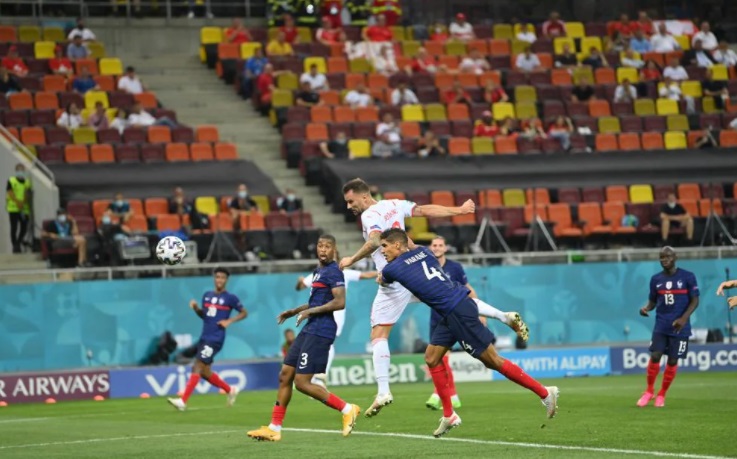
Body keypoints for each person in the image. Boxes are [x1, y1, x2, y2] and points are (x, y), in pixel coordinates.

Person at [378, 228, 558, 436]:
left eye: (385, 246)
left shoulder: (393, 268)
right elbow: (414, 247)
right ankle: (449, 415)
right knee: (432, 358)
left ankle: (545, 393)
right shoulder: (426, 253)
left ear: (398, 245)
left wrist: (381, 277)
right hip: (456, 307)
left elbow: (383, 279)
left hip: (457, 313)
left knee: (493, 361)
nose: (382, 251)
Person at [338, 178, 476, 417]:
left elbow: (373, 241)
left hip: (394, 279)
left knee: (379, 334)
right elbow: (424, 210)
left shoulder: (369, 215)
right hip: (417, 271)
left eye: (351, 201)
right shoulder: (395, 204)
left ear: (363, 196)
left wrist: (351, 259)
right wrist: (460, 210)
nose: (349, 206)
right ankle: (502, 316)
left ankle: (383, 391)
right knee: (453, 297)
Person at [247, 235, 360, 441]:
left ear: (334, 250)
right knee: (285, 375)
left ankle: (347, 409)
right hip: (310, 327)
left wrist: (313, 312)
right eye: (320, 246)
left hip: (322, 329)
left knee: (301, 382)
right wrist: (294, 311)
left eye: (327, 247)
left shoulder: (334, 271)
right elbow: (314, 302)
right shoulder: (318, 272)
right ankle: (274, 428)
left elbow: (340, 302)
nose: (323, 250)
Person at [424, 236, 528, 411]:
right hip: (437, 318)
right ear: (430, 247)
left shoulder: (455, 267)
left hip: (457, 316)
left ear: (446, 248)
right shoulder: (426, 267)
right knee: (439, 359)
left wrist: (479, 310)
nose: (437, 248)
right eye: (434, 245)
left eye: (440, 245)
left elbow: (467, 288)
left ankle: (441, 395)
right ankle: (452, 397)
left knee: (446, 358)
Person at [167, 267, 247, 411]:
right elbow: (205, 316)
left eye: (222, 277)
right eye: (217, 277)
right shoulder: (207, 295)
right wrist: (196, 308)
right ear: (214, 279)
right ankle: (230, 389)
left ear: (226, 280)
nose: (220, 280)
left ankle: (183, 401)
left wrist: (229, 321)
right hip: (204, 336)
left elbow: (244, 312)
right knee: (204, 371)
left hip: (216, 338)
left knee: (197, 365)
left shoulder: (230, 298)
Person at [295, 259, 376, 387]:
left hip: (335, 314)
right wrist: (299, 282)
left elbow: (366, 275)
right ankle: (312, 376)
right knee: (316, 343)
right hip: (318, 313)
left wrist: (383, 272)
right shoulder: (319, 274)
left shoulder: (344, 273)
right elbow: (300, 286)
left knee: (327, 342)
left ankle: (319, 377)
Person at [636, 247, 699, 408]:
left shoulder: (688, 276)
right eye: (661, 257)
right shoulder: (656, 279)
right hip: (662, 325)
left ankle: (662, 394)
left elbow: (695, 301)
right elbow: (653, 301)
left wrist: (683, 319)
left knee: (672, 360)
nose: (664, 259)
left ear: (675, 257)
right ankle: (649, 391)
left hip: (680, 327)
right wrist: (645, 308)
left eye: (667, 256)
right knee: (655, 356)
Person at [6, 163, 32, 254]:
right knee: (14, 227)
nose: (20, 172)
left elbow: (27, 193)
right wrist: (17, 202)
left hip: (24, 209)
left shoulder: (27, 182)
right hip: (13, 208)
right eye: (19, 170)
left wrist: (23, 202)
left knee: (24, 227)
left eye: (22, 170)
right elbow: (10, 192)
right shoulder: (11, 180)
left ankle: (18, 242)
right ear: (16, 171)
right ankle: (15, 246)